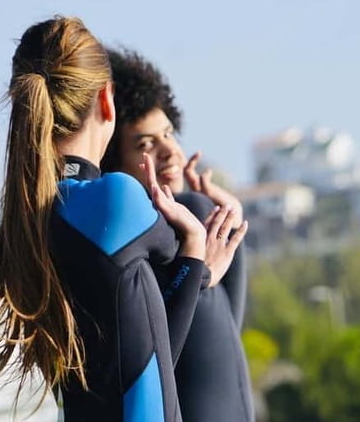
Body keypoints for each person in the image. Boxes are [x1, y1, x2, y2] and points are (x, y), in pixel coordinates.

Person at [0, 16, 245, 421]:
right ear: (107, 100)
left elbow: (150, 353)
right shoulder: (116, 200)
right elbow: (193, 248)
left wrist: (196, 264)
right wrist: (197, 251)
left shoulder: (29, 221)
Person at [101, 47, 255, 422]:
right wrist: (199, 268)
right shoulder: (177, 221)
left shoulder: (130, 238)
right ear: (114, 163)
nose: (170, 151)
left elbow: (226, 337)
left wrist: (229, 233)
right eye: (145, 144)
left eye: (169, 133)